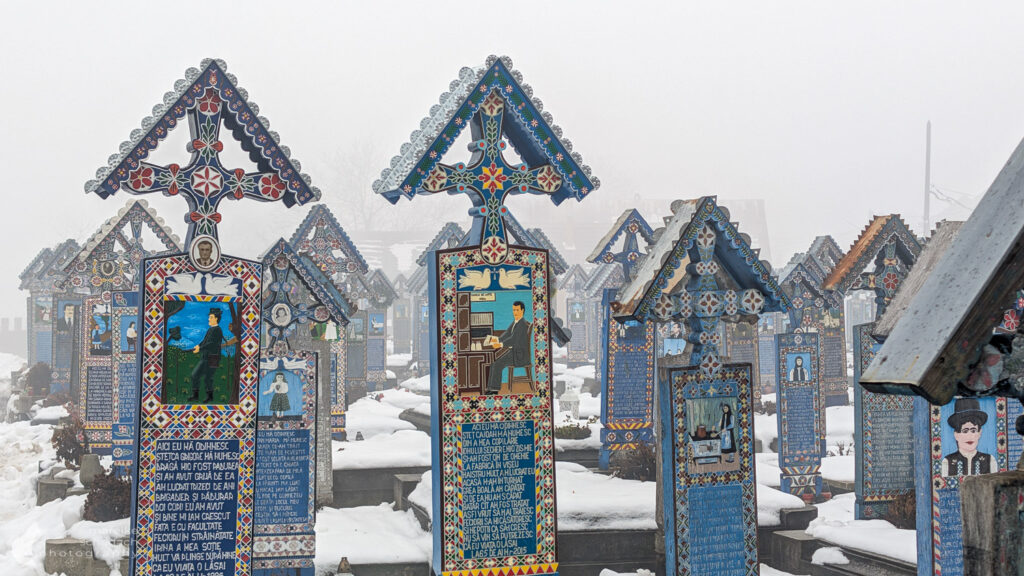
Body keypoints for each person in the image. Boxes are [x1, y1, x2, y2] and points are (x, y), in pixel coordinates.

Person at [485, 301, 532, 394]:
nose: (515, 312)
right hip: (514, 352)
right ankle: (490, 389)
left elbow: (513, 339)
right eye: (514, 310)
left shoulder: (522, 324)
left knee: (497, 364)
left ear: (522, 310)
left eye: (517, 310)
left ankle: (494, 390)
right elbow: (507, 334)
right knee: (494, 364)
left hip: (519, 356)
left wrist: (501, 345)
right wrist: (497, 340)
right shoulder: (516, 322)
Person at [941, 398, 992, 476]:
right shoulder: (947, 462)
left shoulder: (989, 460)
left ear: (979, 433)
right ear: (956, 435)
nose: (970, 435)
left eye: (973, 430)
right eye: (965, 431)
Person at [190, 308, 225, 403]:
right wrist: (198, 346)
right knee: (194, 375)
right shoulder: (211, 329)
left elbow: (211, 344)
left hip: (213, 357)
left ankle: (210, 397)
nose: (209, 319)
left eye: (211, 317)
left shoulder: (217, 330)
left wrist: (200, 348)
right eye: (209, 317)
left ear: (216, 319)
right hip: (205, 357)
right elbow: (205, 341)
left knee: (208, 378)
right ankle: (195, 396)